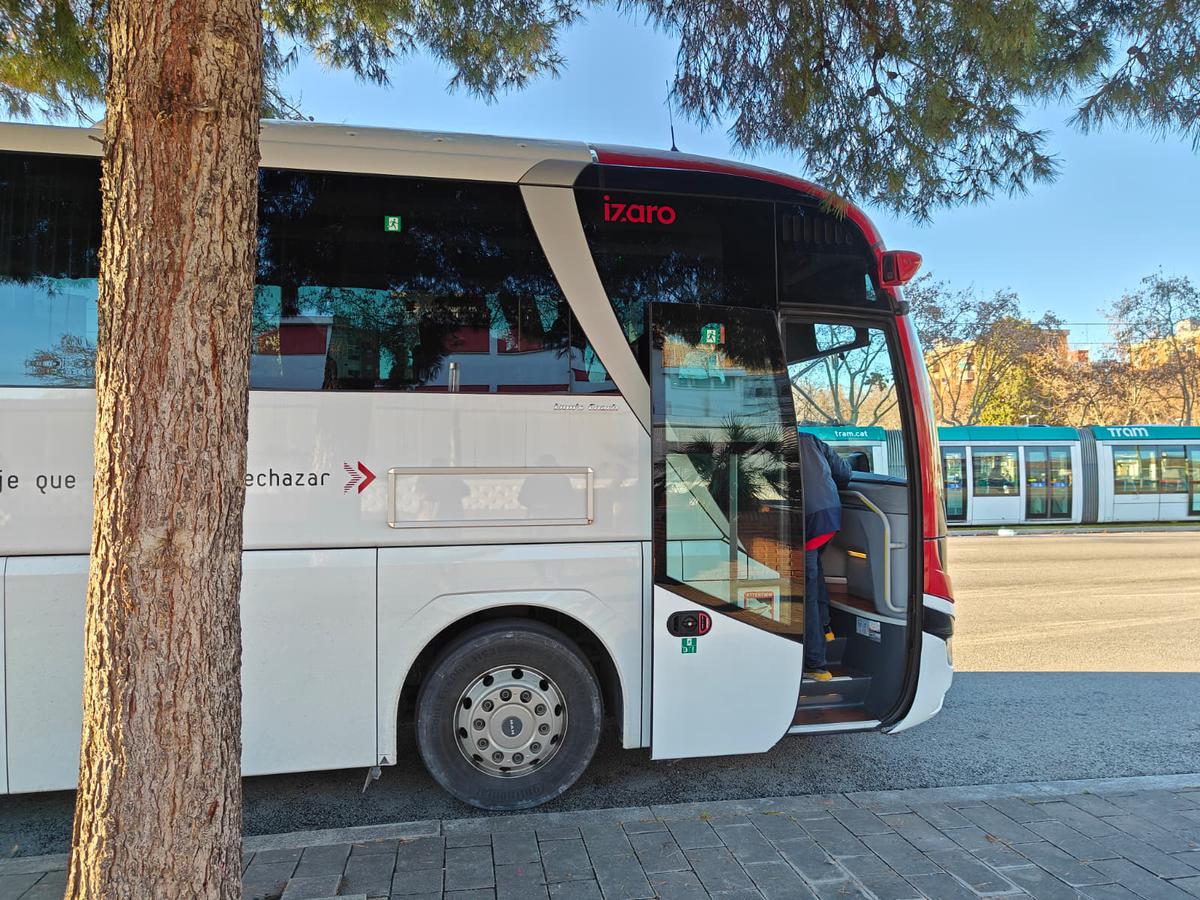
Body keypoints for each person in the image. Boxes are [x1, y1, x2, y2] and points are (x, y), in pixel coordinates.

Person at [797, 431, 852, 681]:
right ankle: (825, 628)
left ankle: (815, 664)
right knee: (815, 572)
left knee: (805, 592)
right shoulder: (810, 439)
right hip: (829, 515)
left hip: (805, 521)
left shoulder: (768, 442)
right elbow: (844, 474)